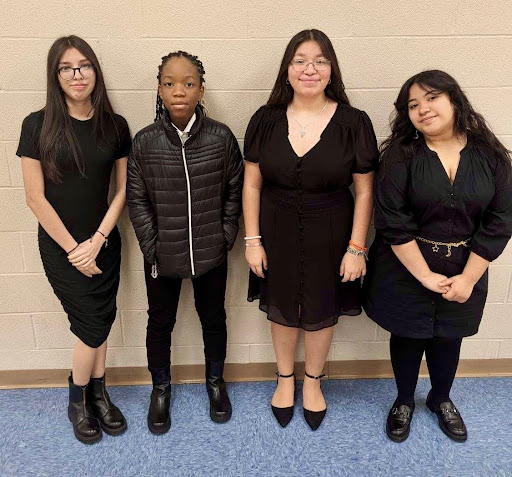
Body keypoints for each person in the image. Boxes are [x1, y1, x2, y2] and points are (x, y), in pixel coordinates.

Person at [364, 70, 512, 442]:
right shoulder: (400, 156)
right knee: (408, 335)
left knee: (450, 336)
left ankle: (440, 398)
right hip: (406, 264)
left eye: (431, 98)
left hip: (467, 264)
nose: (423, 109)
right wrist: (426, 276)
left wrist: (469, 277)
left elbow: (501, 218)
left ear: (453, 100)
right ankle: (403, 401)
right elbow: (392, 221)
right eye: (413, 105)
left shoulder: (489, 153)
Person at [243, 29, 378, 430]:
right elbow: (251, 183)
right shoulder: (264, 119)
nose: (310, 69)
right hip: (275, 227)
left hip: (333, 229)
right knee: (281, 304)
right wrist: (252, 240)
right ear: (287, 70)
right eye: (300, 60)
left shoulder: (354, 122)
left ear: (331, 69)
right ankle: (285, 378)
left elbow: (365, 189)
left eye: (320, 60)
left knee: (323, 306)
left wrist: (357, 248)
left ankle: (314, 382)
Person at [17, 36, 131, 444]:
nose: (77, 75)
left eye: (84, 66)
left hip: (103, 243)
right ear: (56, 75)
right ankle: (78, 401)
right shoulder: (37, 124)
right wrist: (73, 249)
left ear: (95, 72)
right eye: (67, 68)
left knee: (102, 320)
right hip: (62, 248)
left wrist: (98, 238)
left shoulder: (115, 125)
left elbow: (122, 191)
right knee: (90, 325)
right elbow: (34, 197)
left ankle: (99, 395)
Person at [127, 51, 243, 434]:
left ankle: (215, 382)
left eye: (188, 83)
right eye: (170, 83)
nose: (179, 90)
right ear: (159, 89)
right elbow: (137, 198)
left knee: (214, 319)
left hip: (211, 252)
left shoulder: (222, 137)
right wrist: (152, 246)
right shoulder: (144, 142)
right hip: (162, 255)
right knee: (160, 322)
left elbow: (234, 190)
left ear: (201, 89)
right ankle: (160, 388)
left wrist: (225, 235)